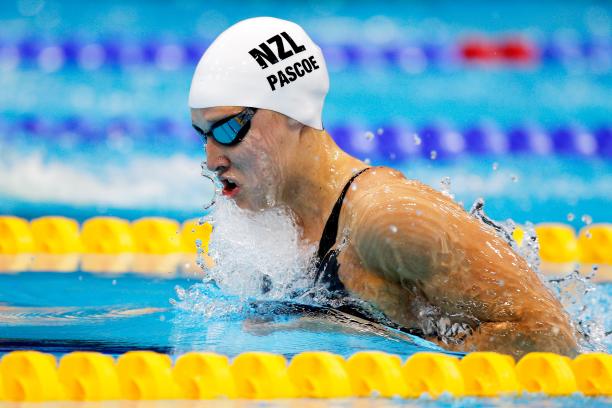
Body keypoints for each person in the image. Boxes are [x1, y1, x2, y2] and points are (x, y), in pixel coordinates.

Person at [188, 17, 577, 358]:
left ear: (292, 113)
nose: (211, 158)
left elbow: (550, 336)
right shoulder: (276, 224)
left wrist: (372, 337)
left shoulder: (389, 221)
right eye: (203, 135)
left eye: (227, 129)